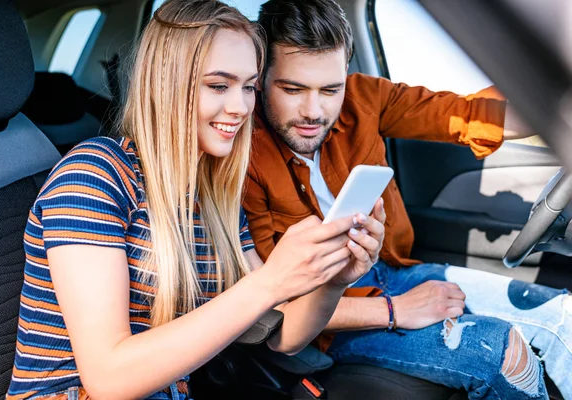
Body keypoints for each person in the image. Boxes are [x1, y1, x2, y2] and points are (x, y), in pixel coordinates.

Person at [6, 1, 387, 399]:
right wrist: (268, 283)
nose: (240, 107)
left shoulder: (213, 200)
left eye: (248, 87)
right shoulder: (95, 176)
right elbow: (108, 378)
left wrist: (334, 281)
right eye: (218, 86)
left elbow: (280, 334)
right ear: (166, 84)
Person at [242, 0, 572, 399]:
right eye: (292, 89)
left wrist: (554, 106)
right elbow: (274, 305)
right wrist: (397, 309)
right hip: (326, 317)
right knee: (502, 352)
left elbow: (466, 114)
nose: (313, 111)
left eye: (330, 89)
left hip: (393, 271)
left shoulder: (364, 97)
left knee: (565, 316)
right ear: (260, 77)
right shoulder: (243, 158)